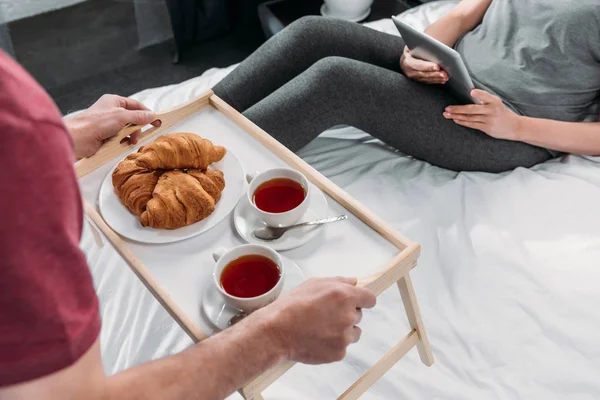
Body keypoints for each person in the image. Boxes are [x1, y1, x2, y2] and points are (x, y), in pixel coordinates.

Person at [0, 49, 377, 398]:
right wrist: (278, 336)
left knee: (312, 37)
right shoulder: (21, 138)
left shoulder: (22, 134)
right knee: (333, 76)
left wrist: (60, 136)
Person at [213, 0, 600, 173]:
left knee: (338, 82)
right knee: (311, 32)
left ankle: (196, 172)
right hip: (453, 72)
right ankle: (195, 127)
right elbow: (465, 13)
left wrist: (515, 127)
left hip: (505, 128)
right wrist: (418, 52)